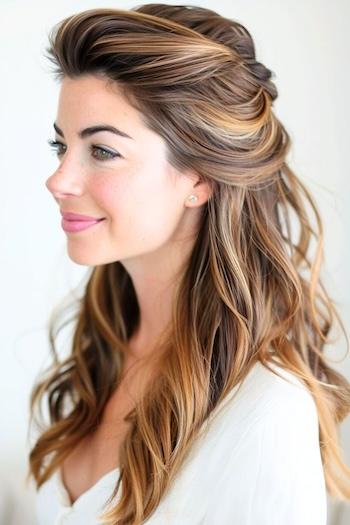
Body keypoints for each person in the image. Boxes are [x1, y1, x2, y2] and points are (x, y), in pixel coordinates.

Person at [27, 4, 350, 525]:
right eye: (60, 145)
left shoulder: (265, 414)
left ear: (199, 177)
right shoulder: (97, 361)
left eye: (102, 151)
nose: (58, 180)